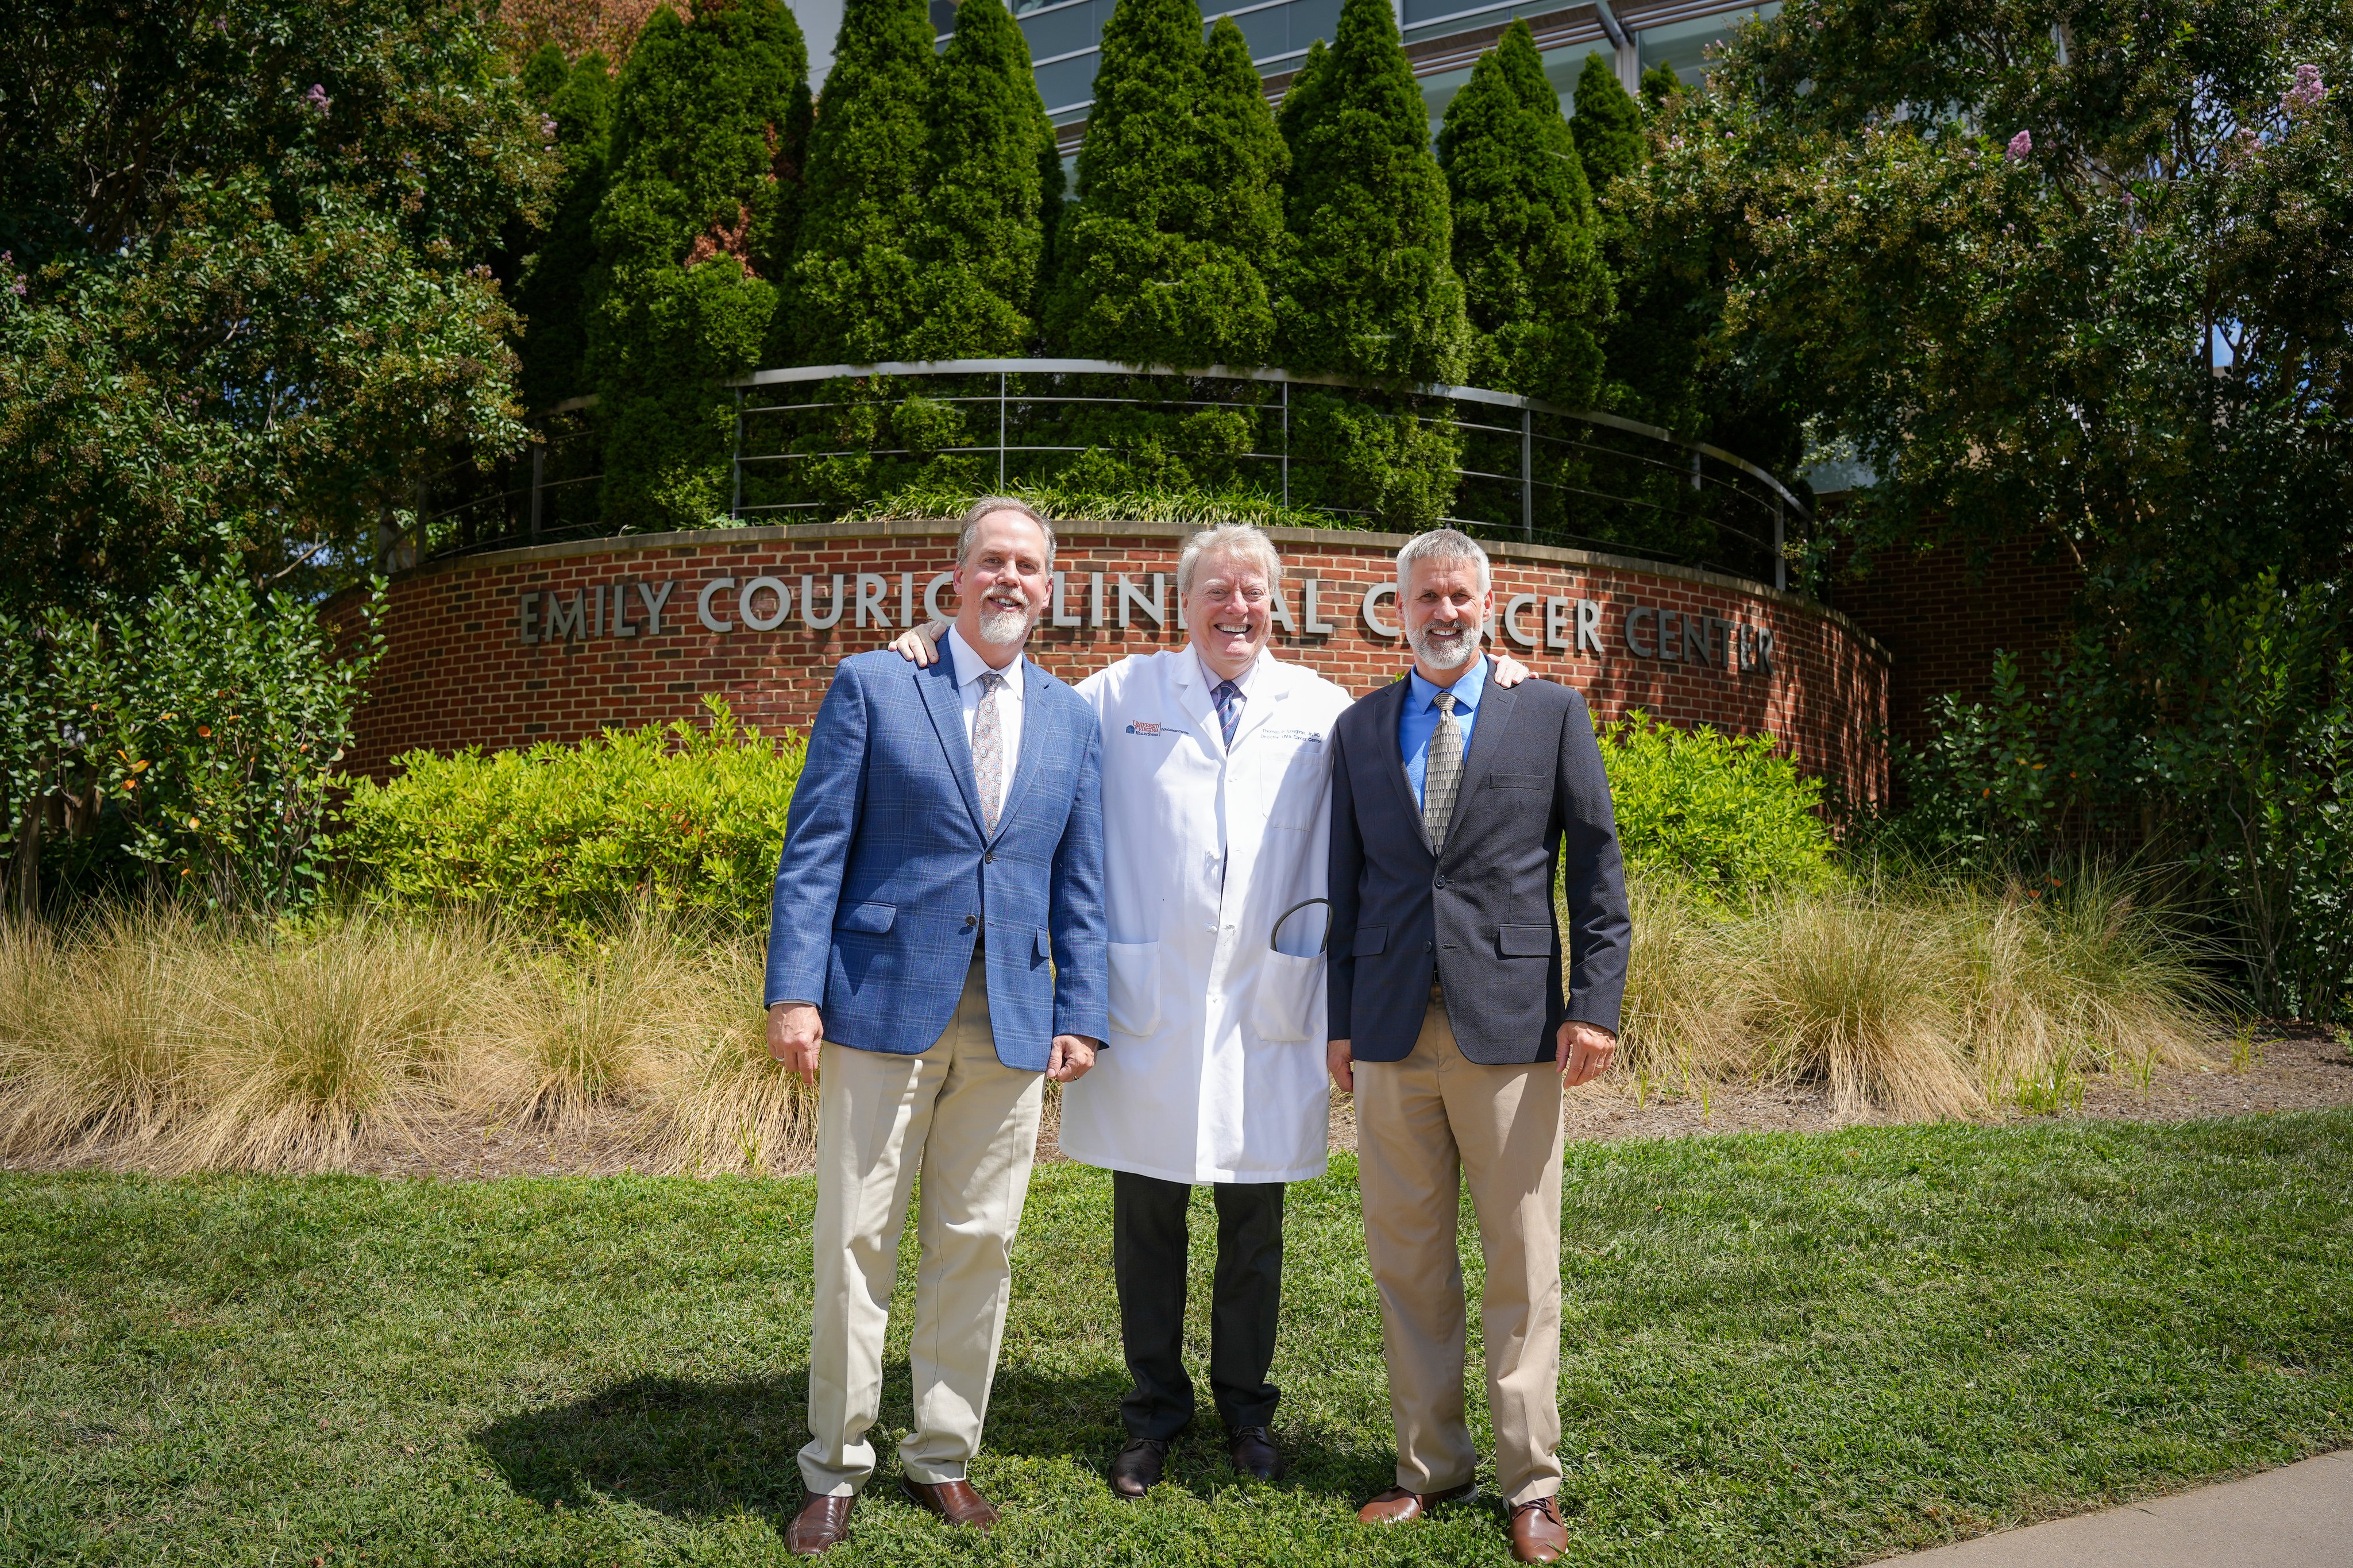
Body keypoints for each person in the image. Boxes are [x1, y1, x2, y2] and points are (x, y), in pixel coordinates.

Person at [888, 525, 1531, 1499]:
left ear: (1276, 604)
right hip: (1151, 1006)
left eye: (1255, 592)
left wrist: (1502, 668)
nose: (1238, 608)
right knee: (1146, 1220)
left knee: (1252, 1223)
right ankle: (1151, 1413)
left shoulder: (1321, 711)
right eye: (1218, 592)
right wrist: (929, 650)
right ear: (1181, 605)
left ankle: (1245, 1411)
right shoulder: (1122, 694)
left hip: (1266, 1008)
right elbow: (1019, 692)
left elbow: (1424, 718)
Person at [764, 497, 1108, 1557]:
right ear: (952, 579)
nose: (1010, 579)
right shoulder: (877, 682)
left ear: (1050, 590)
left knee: (979, 1244)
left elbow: (1079, 878)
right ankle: (835, 1465)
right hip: (877, 1004)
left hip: (1011, 1015)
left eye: (1029, 567)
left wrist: (1082, 1010)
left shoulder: (1070, 716)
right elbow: (816, 845)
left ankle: (944, 1454)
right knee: (855, 1241)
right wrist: (795, 989)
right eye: (992, 562)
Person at [1325, 527, 1630, 1566]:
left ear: (1484, 601)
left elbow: (1596, 870)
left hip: (1512, 1030)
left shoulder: (1547, 711)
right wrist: (1340, 1021)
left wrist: (1595, 1004)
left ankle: (1531, 1483)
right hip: (1390, 1029)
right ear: (1396, 608)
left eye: (1459, 595)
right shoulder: (1362, 728)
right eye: (1425, 598)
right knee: (1406, 1259)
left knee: (1521, 1259)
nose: (1443, 613)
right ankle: (1427, 1468)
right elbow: (1349, 884)